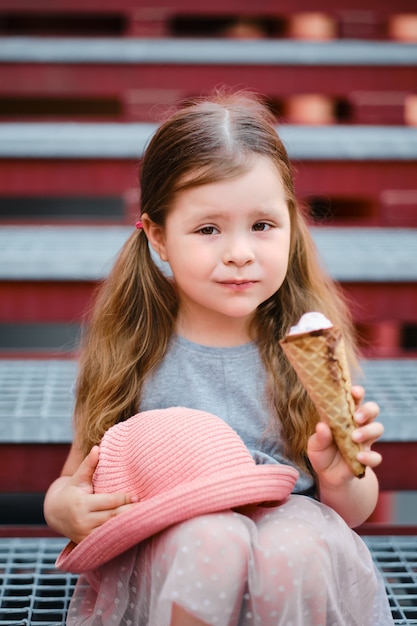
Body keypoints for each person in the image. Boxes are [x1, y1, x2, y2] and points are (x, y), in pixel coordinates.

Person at [44, 89, 393, 625]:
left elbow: (351, 512)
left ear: (291, 226)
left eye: (262, 225)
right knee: (214, 536)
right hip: (174, 551)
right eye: (208, 229)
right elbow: (73, 479)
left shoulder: (305, 350)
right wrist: (64, 508)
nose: (240, 251)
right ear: (159, 237)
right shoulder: (135, 349)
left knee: (293, 547)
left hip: (289, 546)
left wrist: (341, 475)